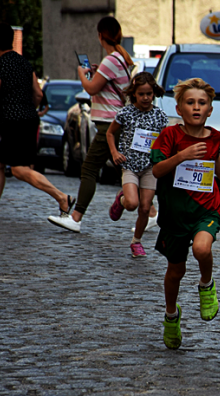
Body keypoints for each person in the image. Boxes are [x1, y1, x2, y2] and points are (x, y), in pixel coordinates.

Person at [150, 78, 220, 349]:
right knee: (175, 271)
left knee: (202, 249)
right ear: (179, 108)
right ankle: (171, 316)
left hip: (206, 208)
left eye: (202, 103)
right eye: (190, 102)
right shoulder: (170, 136)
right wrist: (182, 155)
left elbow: (215, 162)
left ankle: (206, 284)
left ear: (210, 109)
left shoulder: (213, 137)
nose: (196, 107)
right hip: (175, 214)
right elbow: (156, 171)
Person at [0, 23, 74, 222]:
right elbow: (38, 94)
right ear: (11, 41)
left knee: (19, 169)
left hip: (13, 124)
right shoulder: (25, 63)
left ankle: (62, 198)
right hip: (28, 121)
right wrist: (27, 107)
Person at [48, 16, 133, 233]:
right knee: (127, 168)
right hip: (116, 121)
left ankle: (76, 217)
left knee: (89, 168)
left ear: (100, 35)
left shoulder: (111, 59)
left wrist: (82, 75)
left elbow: (91, 88)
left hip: (109, 124)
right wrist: (96, 74)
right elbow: (105, 86)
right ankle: (150, 212)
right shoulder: (121, 59)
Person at [106, 72, 168, 258]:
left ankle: (136, 241)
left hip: (150, 167)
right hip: (130, 165)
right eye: (141, 94)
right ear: (134, 94)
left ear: (154, 93)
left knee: (145, 207)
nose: (146, 98)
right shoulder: (125, 113)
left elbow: (166, 140)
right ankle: (122, 200)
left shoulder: (160, 116)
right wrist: (115, 153)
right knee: (132, 204)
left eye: (149, 93)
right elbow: (109, 133)